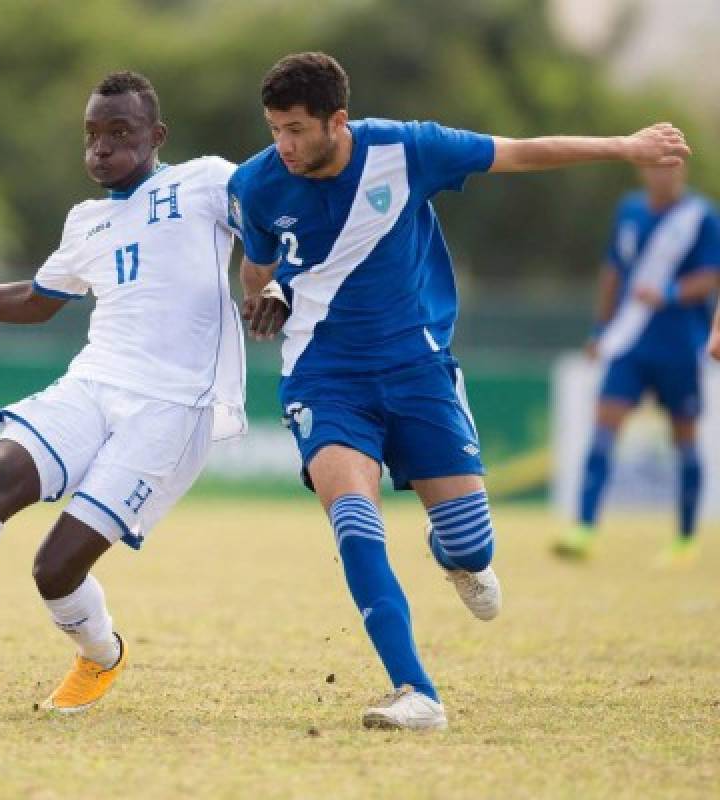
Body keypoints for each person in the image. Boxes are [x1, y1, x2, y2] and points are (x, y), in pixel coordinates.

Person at [229, 52, 690, 730]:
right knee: (355, 521)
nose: (285, 146)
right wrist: (264, 293)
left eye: (297, 129)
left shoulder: (408, 148)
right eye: (274, 129)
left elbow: (523, 153)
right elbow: (258, 266)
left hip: (417, 366)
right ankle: (416, 691)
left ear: (338, 120)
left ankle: (456, 559)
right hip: (323, 373)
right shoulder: (258, 183)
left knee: (472, 544)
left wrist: (624, 146)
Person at [0, 71, 246, 717]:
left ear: (157, 136)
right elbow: (35, 301)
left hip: (172, 409)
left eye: (120, 133)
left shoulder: (206, 181)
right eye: (92, 134)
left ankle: (101, 655)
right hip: (93, 384)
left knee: (54, 571)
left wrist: (277, 287)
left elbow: (283, 222)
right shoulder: (85, 220)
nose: (102, 148)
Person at [555, 165, 719, 567]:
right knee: (602, 432)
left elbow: (711, 276)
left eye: (676, 168)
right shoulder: (629, 210)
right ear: (645, 171)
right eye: (660, 168)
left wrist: (669, 291)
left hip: (680, 347)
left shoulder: (700, 216)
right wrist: (601, 329)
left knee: (685, 442)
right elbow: (613, 270)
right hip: (629, 344)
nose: (668, 176)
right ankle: (584, 528)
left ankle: (684, 538)